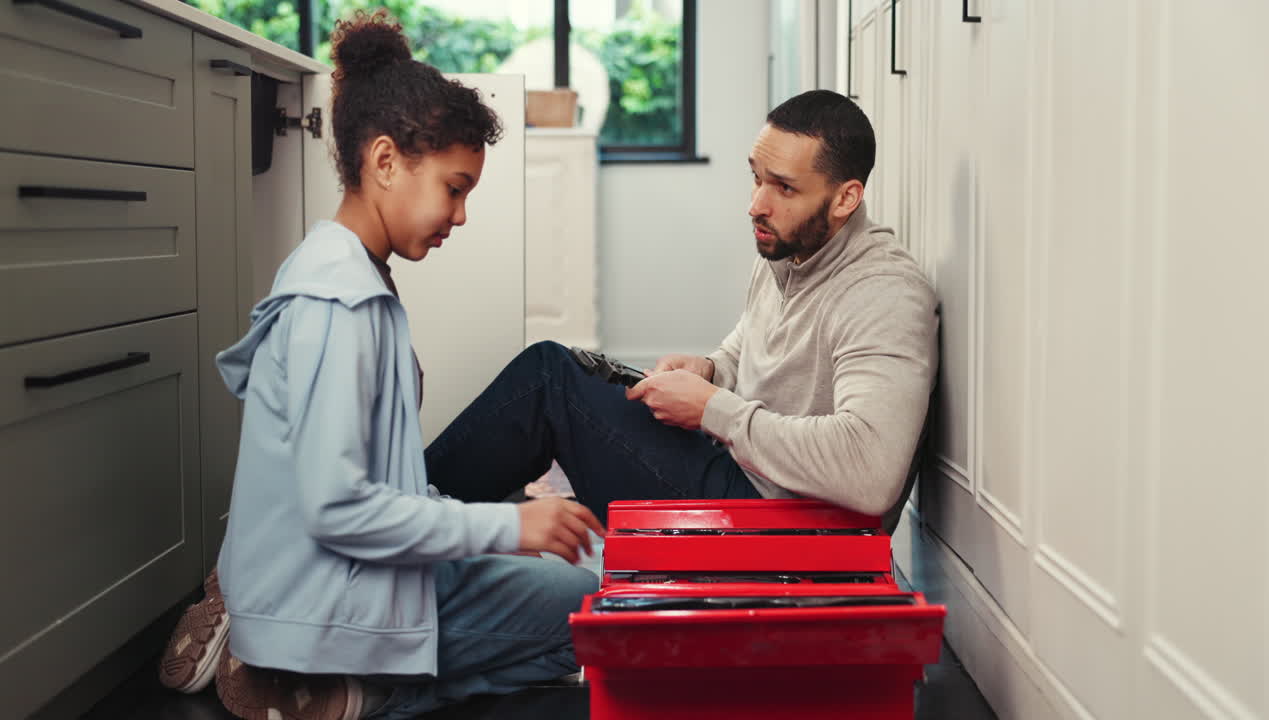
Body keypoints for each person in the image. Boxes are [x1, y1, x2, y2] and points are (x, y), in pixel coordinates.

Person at [156, 10, 603, 720]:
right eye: (455, 188)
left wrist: (494, 530)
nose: (461, 215)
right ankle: (336, 685)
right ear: (386, 162)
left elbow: (379, 483)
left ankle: (288, 635)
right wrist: (507, 529)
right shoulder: (339, 305)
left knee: (567, 580)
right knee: (593, 612)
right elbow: (338, 506)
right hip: (332, 596)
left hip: (350, 569)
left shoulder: (342, 268)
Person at [426, 89, 939, 534]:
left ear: (846, 198)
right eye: (756, 178)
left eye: (783, 187)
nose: (756, 205)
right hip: (749, 476)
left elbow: (870, 472)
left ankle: (411, 524)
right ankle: (422, 519)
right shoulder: (791, 248)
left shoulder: (883, 292)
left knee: (550, 380)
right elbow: (747, 348)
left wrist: (714, 409)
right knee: (566, 371)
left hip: (787, 523)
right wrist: (710, 370)